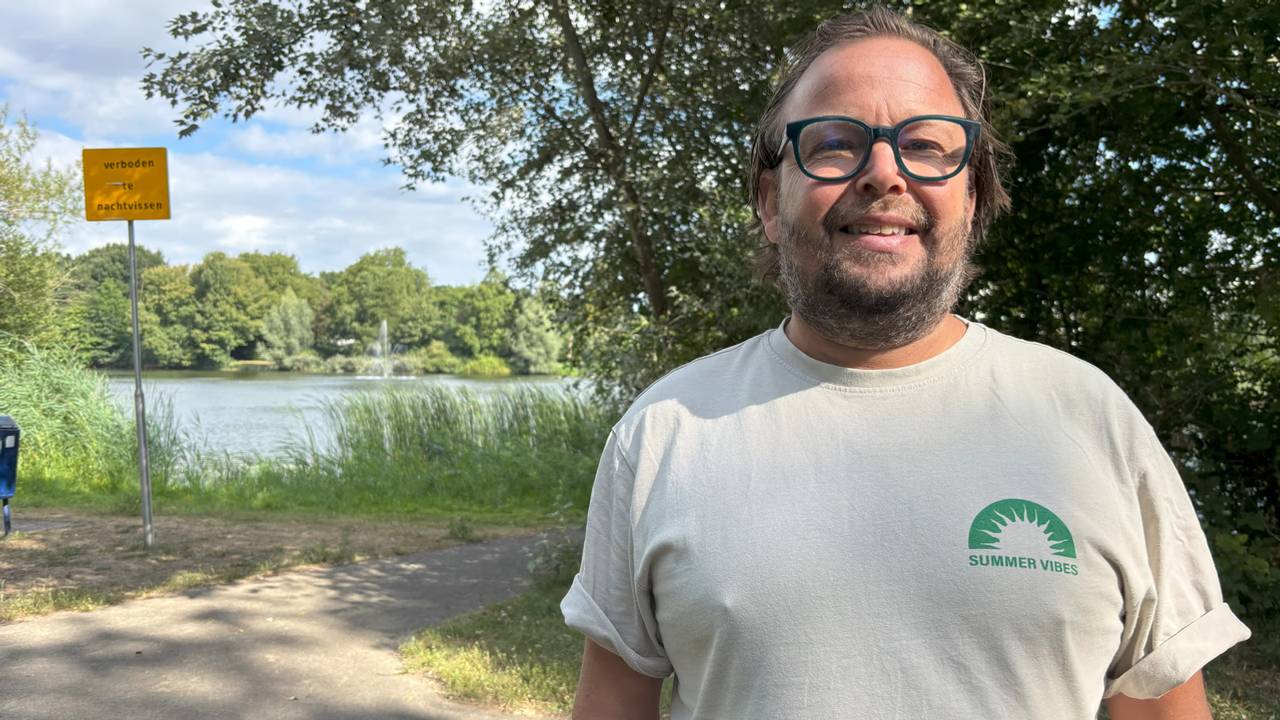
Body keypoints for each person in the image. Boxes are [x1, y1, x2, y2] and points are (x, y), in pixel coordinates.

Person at [560, 7, 1251, 719]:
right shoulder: (664, 434)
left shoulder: (1089, 420)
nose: (883, 173)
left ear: (972, 195)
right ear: (770, 200)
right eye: (834, 143)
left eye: (926, 145)